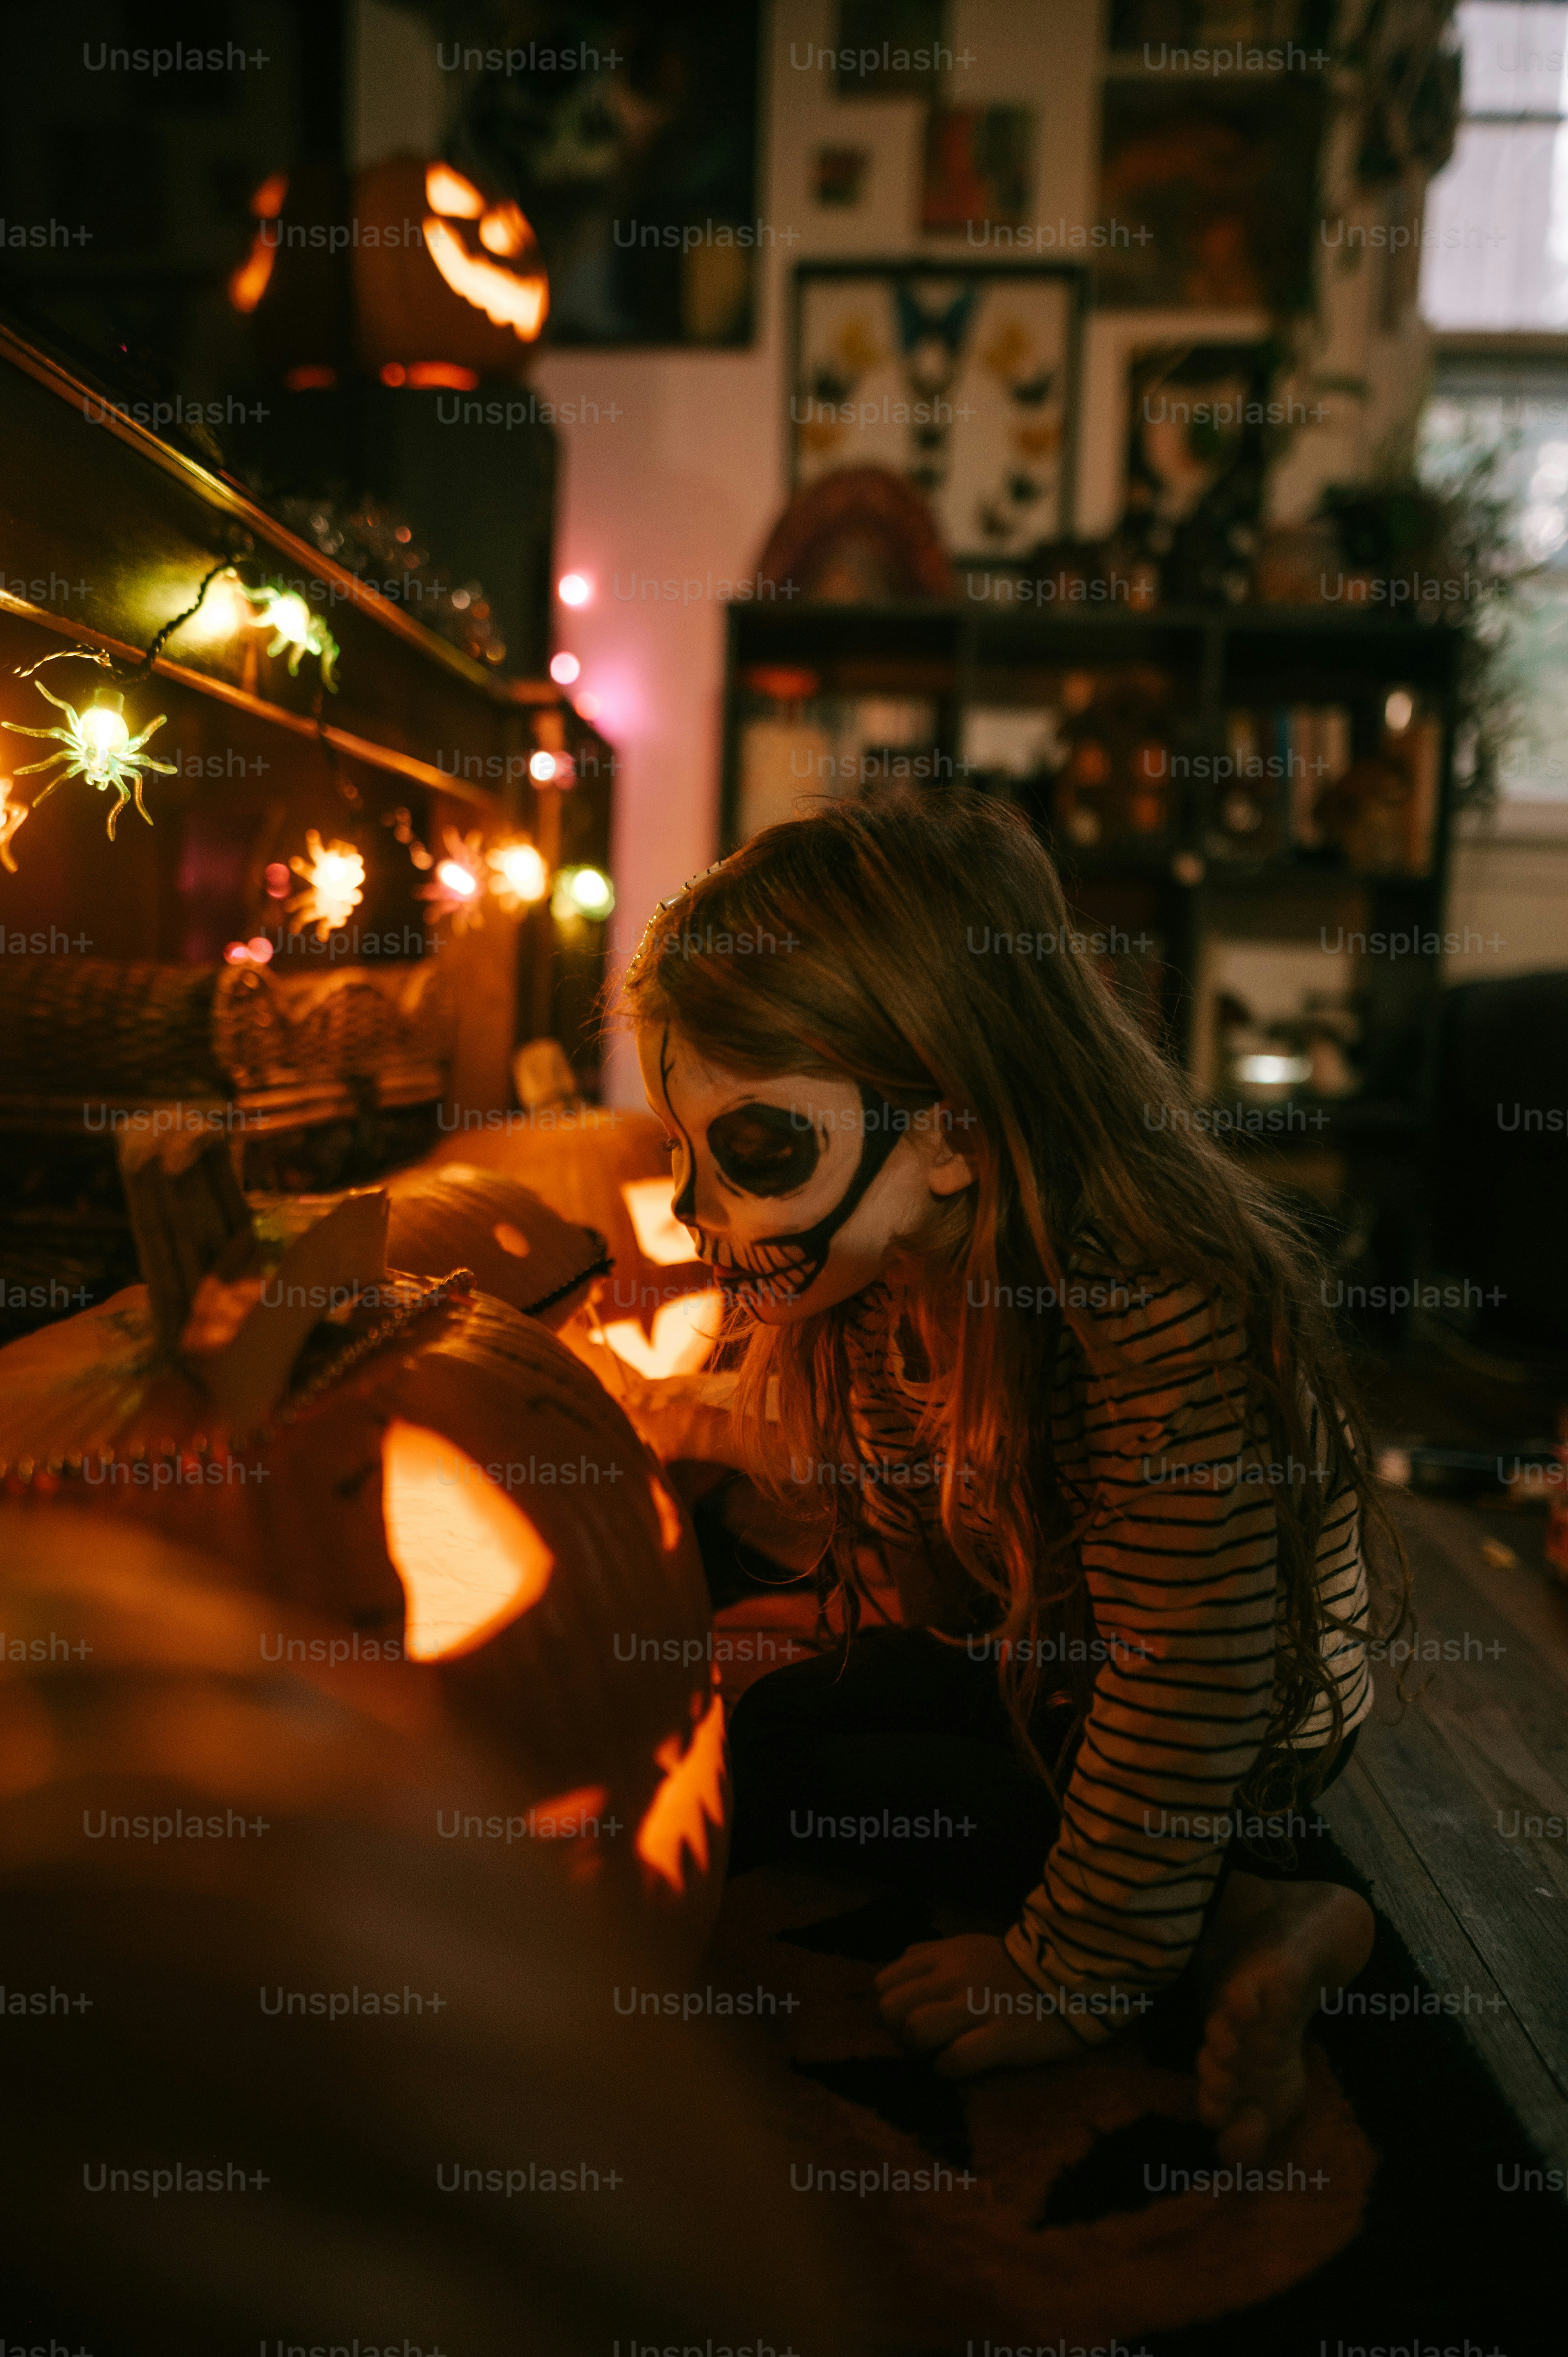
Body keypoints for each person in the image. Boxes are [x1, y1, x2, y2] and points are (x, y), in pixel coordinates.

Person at [619, 792, 1402, 2164]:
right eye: (685, 1152)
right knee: (766, 1736)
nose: (692, 1210)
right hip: (1048, 1651)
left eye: (751, 1151)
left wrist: (1074, 1972)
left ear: (953, 1132)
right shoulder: (884, 1267)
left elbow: (1188, 1678)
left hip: (1231, 1729)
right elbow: (930, 1574)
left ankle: (1251, 1911)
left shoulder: (1152, 1305)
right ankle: (1207, 1900)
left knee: (929, 1792)